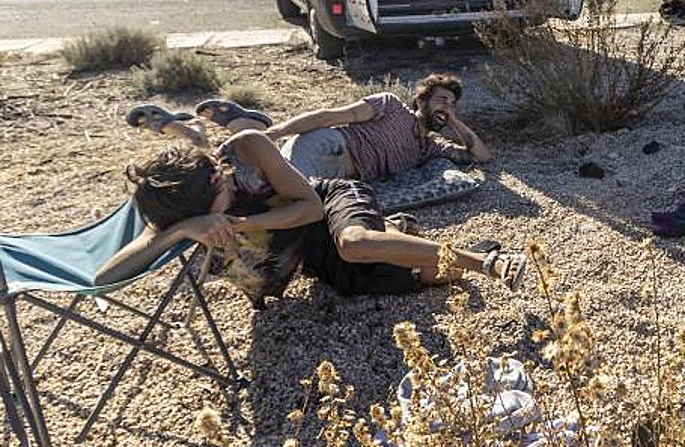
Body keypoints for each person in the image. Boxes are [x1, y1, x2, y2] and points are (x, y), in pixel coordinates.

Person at [94, 128, 524, 298]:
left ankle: (488, 262)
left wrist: (243, 223)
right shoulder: (181, 212)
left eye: (219, 193)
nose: (222, 200)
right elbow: (104, 277)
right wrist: (184, 229)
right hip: (311, 254)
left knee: (356, 244)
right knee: (422, 280)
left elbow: (310, 206)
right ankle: (403, 234)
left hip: (327, 204)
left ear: (214, 174)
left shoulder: (248, 149)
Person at [192, 73, 492, 182]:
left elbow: (482, 157)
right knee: (257, 181)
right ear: (422, 101)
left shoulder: (430, 148)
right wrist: (277, 133)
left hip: (337, 177)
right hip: (328, 147)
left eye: (452, 104)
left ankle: (235, 130)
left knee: (262, 185)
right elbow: (328, 117)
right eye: (441, 100)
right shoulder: (390, 105)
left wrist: (453, 120)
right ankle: (239, 135)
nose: (446, 108)